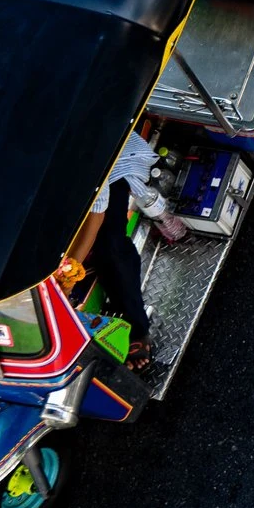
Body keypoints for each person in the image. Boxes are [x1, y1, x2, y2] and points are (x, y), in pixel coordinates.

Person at [60, 125, 169, 365]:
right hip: (64, 180)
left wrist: (70, 272)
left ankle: (137, 327)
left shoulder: (88, 163)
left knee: (110, 246)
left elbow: (96, 214)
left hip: (115, 165)